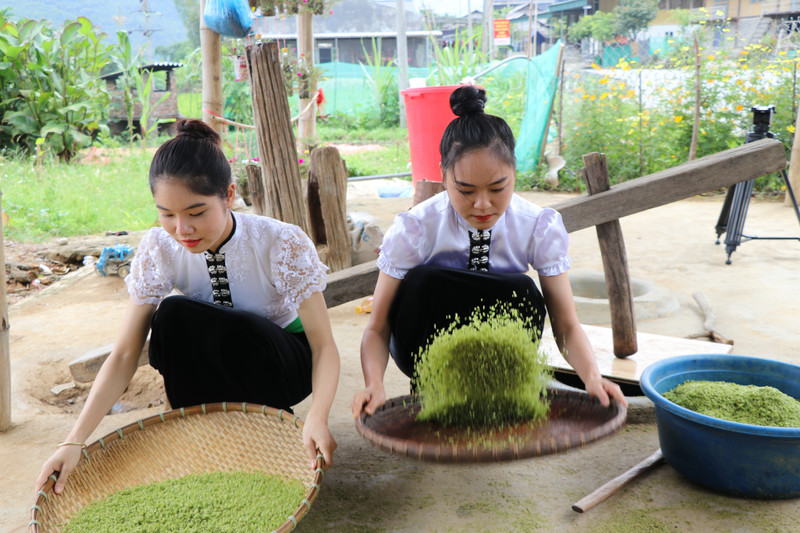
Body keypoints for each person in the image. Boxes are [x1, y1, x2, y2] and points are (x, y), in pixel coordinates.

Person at [37, 119, 340, 495]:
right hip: (217, 370)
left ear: (229, 195)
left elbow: (325, 346)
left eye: (197, 213)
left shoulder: (279, 242)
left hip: (280, 364)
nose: (182, 230)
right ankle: (200, 437)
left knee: (228, 325)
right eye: (167, 214)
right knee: (173, 317)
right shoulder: (159, 249)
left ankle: (274, 433)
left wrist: (319, 416)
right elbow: (126, 353)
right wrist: (73, 441)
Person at [351, 85, 627, 418]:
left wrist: (592, 378)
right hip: (423, 349)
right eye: (465, 190)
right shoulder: (417, 228)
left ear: (515, 174)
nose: (483, 204)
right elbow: (378, 327)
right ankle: (433, 384)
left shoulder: (537, 225)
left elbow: (566, 325)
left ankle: (497, 386)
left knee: (524, 290)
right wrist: (374, 384)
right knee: (424, 280)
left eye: (498, 188)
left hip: (501, 353)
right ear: (444, 176)